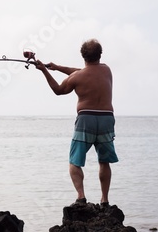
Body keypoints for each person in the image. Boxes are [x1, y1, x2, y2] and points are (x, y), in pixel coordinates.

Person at [35, 39, 118, 206]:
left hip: (86, 119)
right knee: (104, 161)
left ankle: (81, 196)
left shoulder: (77, 77)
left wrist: (44, 70)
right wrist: (58, 68)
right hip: (107, 118)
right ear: (100, 55)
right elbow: (85, 72)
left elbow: (59, 90)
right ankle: (105, 200)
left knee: (74, 161)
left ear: (83, 55)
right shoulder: (106, 70)